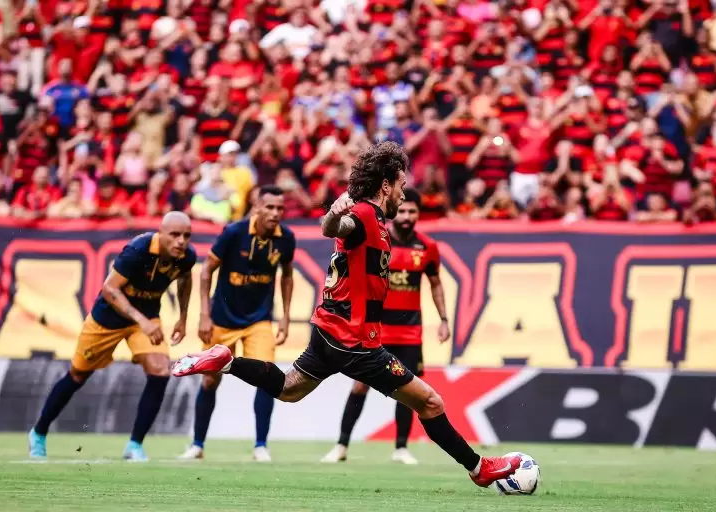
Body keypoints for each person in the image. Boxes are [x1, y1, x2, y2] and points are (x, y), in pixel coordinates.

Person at [173, 142, 521, 488]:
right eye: (400, 183)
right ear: (385, 184)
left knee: (290, 389)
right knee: (430, 402)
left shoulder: (377, 219)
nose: (403, 191)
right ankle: (479, 469)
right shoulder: (366, 215)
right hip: (354, 340)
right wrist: (336, 214)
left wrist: (340, 217)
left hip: (329, 328)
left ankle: (227, 362)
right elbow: (334, 229)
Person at [28, 212, 197, 461]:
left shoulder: (186, 257)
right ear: (160, 233)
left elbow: (185, 280)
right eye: (175, 234)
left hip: (147, 319)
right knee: (78, 375)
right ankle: (39, 432)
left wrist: (182, 318)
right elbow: (109, 289)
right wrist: (141, 320)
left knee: (160, 371)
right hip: (107, 319)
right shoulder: (138, 250)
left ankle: (135, 445)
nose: (182, 241)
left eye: (186, 235)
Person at [321, 188, 450, 465]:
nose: (406, 216)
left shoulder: (427, 247)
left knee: (408, 391)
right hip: (374, 328)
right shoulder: (377, 237)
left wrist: (444, 319)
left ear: (418, 214)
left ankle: (401, 448)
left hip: (410, 332)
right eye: (403, 211)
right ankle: (341, 445)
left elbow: (436, 283)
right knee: (359, 387)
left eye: (412, 212)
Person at [179, 186, 296, 462]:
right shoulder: (234, 233)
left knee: (268, 377)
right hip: (222, 318)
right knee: (210, 380)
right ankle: (197, 445)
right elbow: (206, 270)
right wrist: (204, 315)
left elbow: (287, 276)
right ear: (257, 207)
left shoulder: (286, 238)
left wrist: (286, 315)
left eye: (280, 208)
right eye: (270, 207)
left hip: (260, 320)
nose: (276, 213)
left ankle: (260, 446)